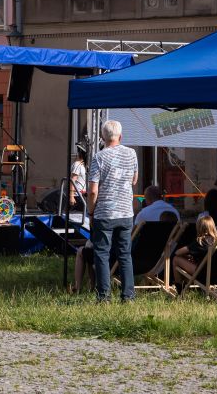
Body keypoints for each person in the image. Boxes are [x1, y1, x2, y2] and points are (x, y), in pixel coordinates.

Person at [87, 119, 139, 303]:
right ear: (120, 136)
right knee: (125, 254)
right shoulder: (132, 154)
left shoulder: (99, 157)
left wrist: (90, 212)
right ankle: (128, 296)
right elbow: (134, 180)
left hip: (105, 213)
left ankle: (104, 297)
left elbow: (93, 190)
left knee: (102, 254)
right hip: (126, 212)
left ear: (102, 137)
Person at [171, 213, 217, 285]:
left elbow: (177, 252)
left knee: (176, 259)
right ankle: (187, 284)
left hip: (204, 273)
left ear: (199, 227)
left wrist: (186, 255)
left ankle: (180, 288)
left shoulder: (200, 241)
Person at [68, 142, 88, 214]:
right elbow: (72, 180)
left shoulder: (82, 165)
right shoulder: (77, 164)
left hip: (81, 195)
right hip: (76, 196)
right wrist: (71, 196)